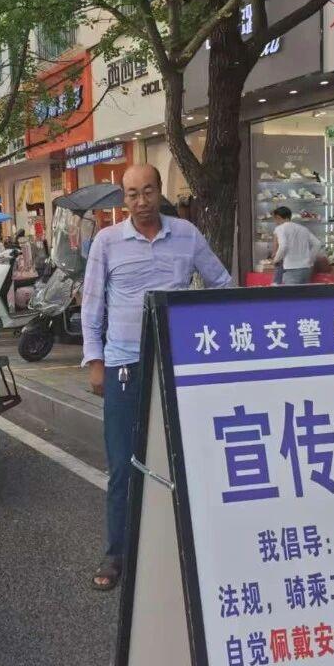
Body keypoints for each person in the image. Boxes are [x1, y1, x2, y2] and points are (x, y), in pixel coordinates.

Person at [81, 164, 232, 590]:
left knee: (187, 458)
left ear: (159, 191)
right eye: (132, 194)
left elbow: (222, 284)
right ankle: (117, 551)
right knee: (123, 463)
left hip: (176, 365)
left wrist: (206, 334)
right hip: (125, 366)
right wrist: (96, 362)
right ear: (123, 199)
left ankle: (189, 546)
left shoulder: (187, 234)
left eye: (147, 191)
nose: (141, 201)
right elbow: (92, 306)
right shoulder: (107, 242)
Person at [270, 206, 322, 285]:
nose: (275, 222)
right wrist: (310, 259)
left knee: (291, 292)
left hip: (291, 268)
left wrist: (275, 260)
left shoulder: (280, 228)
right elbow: (317, 243)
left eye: (275, 219)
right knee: (303, 292)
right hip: (306, 269)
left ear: (278, 217)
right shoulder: (303, 228)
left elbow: (283, 246)